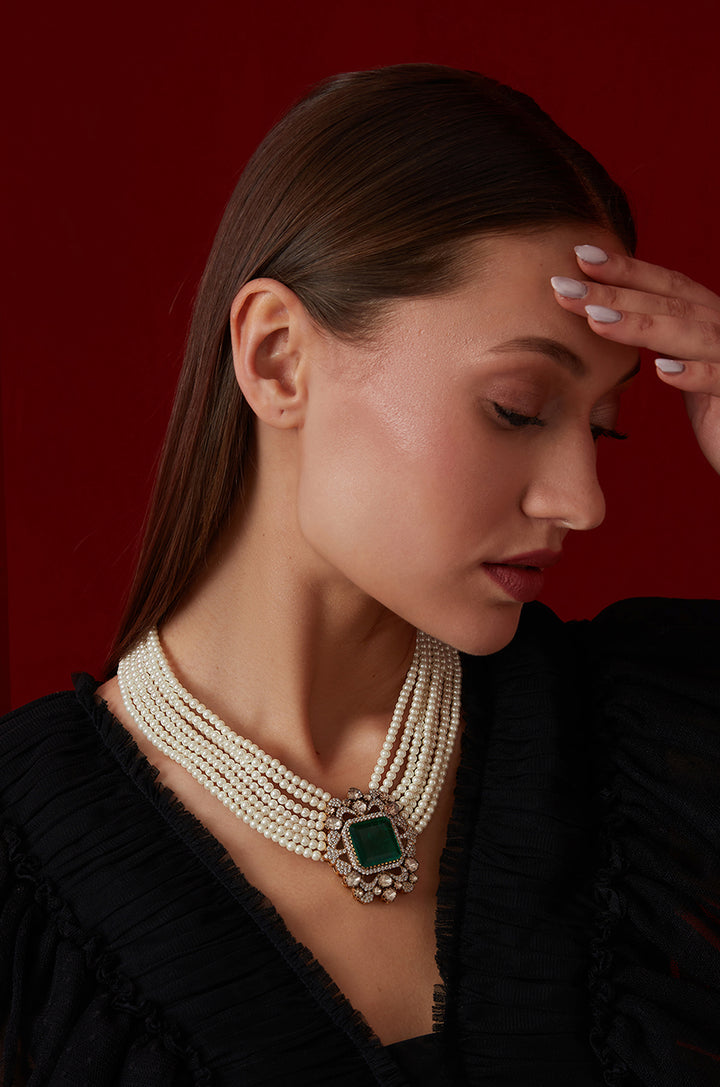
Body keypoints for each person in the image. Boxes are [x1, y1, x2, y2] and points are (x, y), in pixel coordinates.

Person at [1, 63, 718, 1087]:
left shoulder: (666, 745)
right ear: (278, 358)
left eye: (601, 427)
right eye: (517, 408)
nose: (582, 499)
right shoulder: (24, 870)